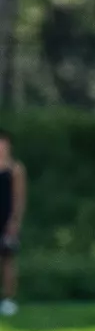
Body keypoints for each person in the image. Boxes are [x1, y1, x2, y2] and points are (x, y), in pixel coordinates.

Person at [0, 130, 27, 316]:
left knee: (8, 260)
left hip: (7, 220)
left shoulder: (15, 169)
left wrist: (15, 222)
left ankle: (9, 299)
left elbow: (19, 198)